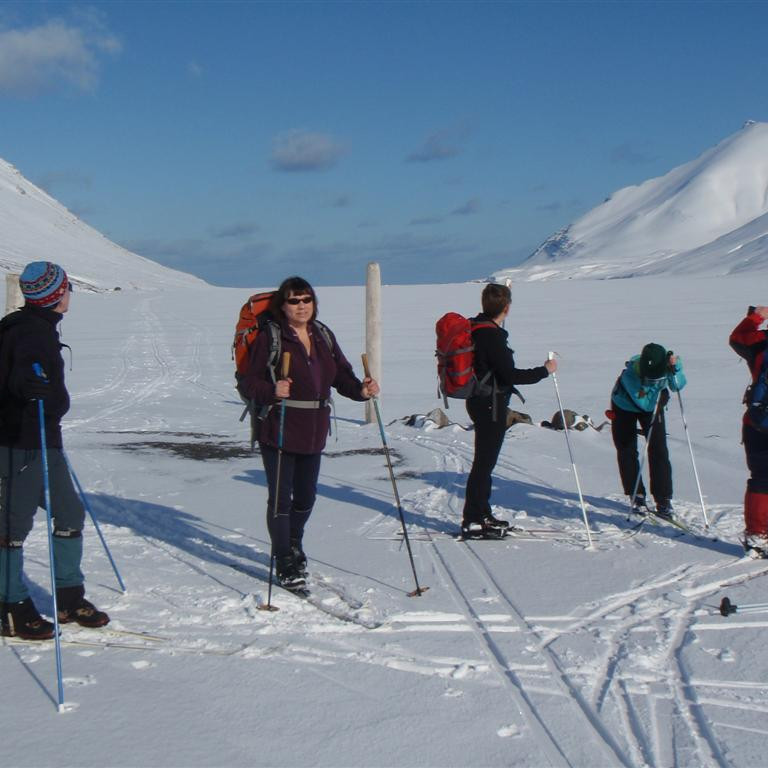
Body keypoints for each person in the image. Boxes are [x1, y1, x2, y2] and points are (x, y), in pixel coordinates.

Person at [240, 276, 379, 590]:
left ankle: (293, 543)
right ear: (283, 305)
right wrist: (272, 390)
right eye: (294, 300)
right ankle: (284, 561)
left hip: (314, 429)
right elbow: (249, 382)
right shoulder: (271, 337)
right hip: (278, 426)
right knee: (280, 500)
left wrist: (361, 390)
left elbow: (341, 375)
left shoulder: (322, 334)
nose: (301, 306)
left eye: (306, 300)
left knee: (305, 497)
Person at [0, 261, 109, 640]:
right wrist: (27, 388)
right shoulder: (27, 332)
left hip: (47, 440)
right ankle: (10, 606)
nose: (69, 295)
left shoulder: (40, 327)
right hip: (20, 443)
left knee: (69, 512)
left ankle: (69, 596)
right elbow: (18, 378)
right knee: (12, 528)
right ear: (56, 295)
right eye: (67, 289)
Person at [462, 283, 556, 538]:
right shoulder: (491, 336)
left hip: (480, 400)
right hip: (490, 404)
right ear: (506, 308)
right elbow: (510, 375)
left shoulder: (476, 327)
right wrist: (544, 371)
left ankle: (482, 514)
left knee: (485, 462)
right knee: (484, 463)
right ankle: (473, 519)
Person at [609, 342, 686, 518]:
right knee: (627, 449)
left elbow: (677, 385)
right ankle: (636, 495)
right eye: (649, 379)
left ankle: (663, 498)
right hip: (624, 406)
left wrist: (676, 369)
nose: (652, 382)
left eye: (656, 379)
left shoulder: (668, 366)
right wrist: (661, 396)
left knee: (659, 449)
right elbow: (643, 403)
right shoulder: (631, 375)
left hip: (653, 405)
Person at [729, 305, 768, 557]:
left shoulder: (760, 342)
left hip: (757, 424)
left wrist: (756, 317)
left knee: (761, 479)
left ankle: (757, 535)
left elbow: (736, 338)